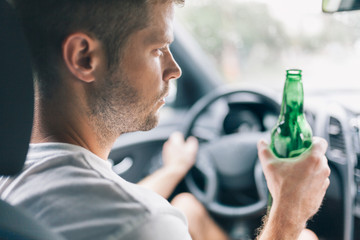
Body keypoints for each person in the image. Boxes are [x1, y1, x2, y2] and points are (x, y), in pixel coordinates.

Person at [0, 0, 330, 239]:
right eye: (158, 49)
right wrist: (289, 212)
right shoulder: (142, 224)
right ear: (84, 57)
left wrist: (173, 170)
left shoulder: (16, 177)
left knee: (187, 206)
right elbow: (133, 220)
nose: (174, 69)